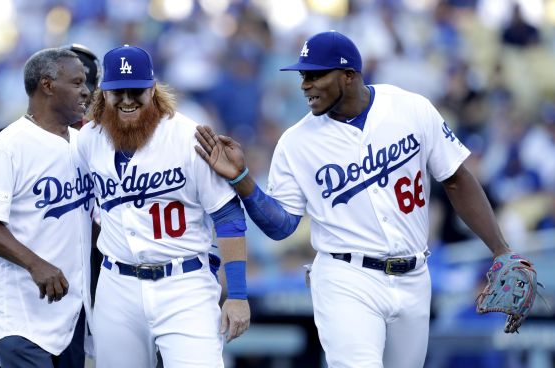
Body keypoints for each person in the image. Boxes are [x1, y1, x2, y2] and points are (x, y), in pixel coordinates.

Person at [195, 30, 515, 368]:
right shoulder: (296, 142)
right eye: (304, 75)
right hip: (346, 277)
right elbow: (281, 225)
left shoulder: (410, 108)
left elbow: (456, 178)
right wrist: (243, 181)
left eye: (316, 75)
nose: (305, 84)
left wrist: (501, 249)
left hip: (414, 275)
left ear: (349, 76)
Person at [77, 44, 250, 368]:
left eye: (136, 91)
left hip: (184, 284)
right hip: (118, 286)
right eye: (118, 91)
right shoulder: (89, 140)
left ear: (153, 90)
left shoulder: (189, 137)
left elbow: (227, 215)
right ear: (104, 94)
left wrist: (237, 295)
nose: (127, 99)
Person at [0, 48, 94, 368]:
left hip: (70, 311)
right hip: (21, 314)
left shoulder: (81, 144)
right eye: (77, 83)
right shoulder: (7, 146)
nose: (86, 91)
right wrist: (36, 264)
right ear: (47, 85)